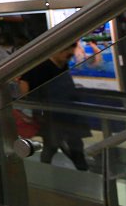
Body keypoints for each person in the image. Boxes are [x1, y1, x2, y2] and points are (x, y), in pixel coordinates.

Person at [18, 43, 90, 171]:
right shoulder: (40, 67)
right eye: (67, 54)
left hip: (67, 113)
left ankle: (81, 168)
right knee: (53, 145)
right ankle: (53, 169)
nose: (68, 58)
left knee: (69, 144)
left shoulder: (63, 65)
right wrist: (30, 109)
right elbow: (24, 84)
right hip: (50, 115)